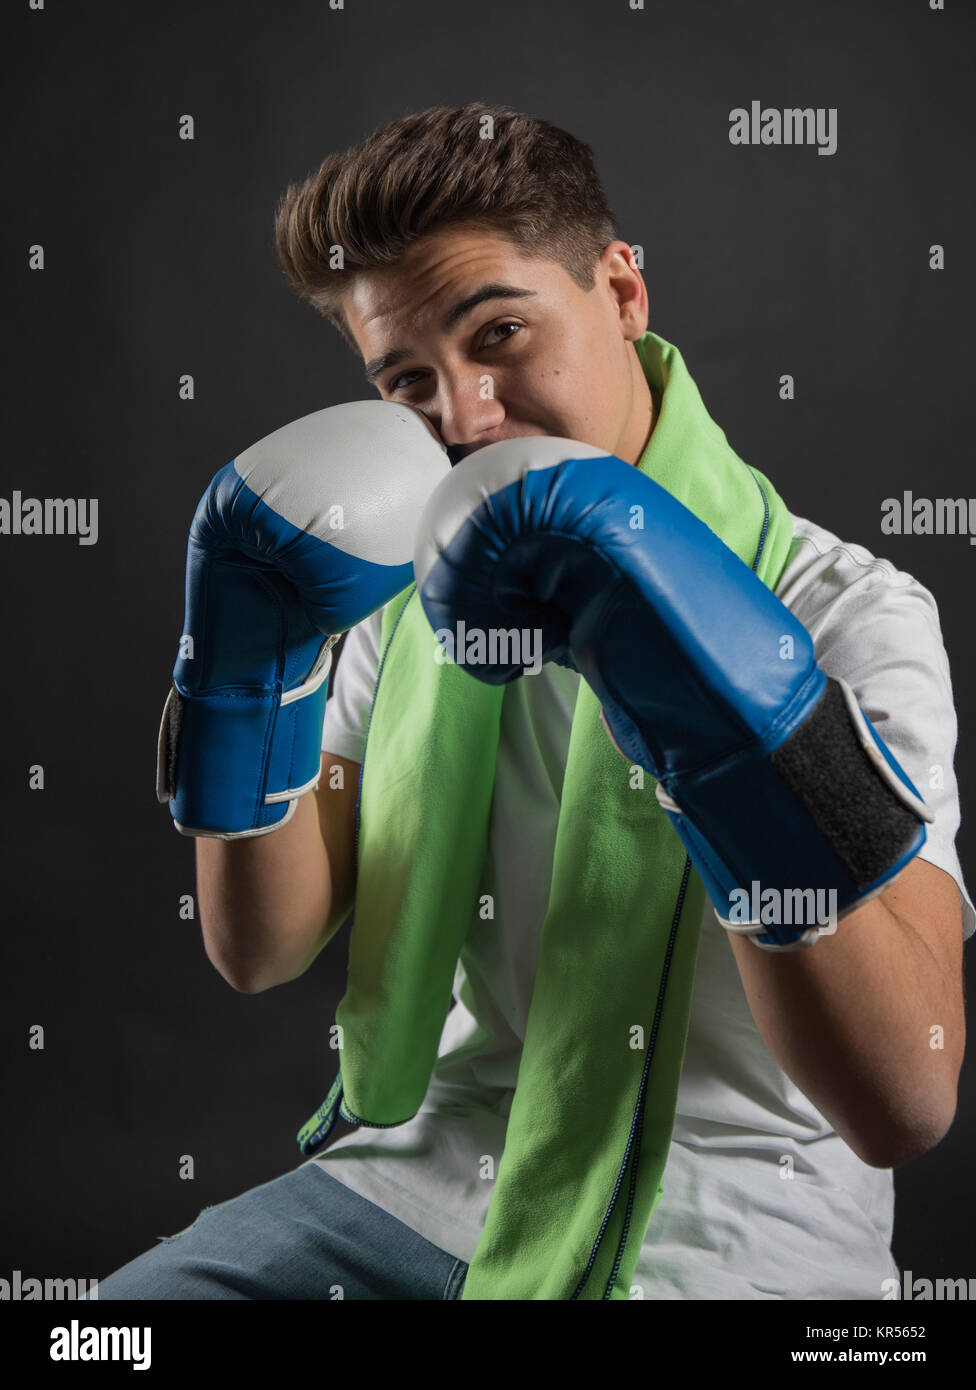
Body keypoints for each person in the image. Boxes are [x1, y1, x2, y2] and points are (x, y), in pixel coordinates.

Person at [92, 102, 972, 1301]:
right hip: (416, 1176)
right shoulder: (399, 599)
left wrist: (718, 722)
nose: (462, 417)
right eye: (407, 379)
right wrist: (254, 667)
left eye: (498, 332)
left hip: (727, 1225)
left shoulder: (840, 610)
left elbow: (904, 1099)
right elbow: (261, 945)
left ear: (621, 294)